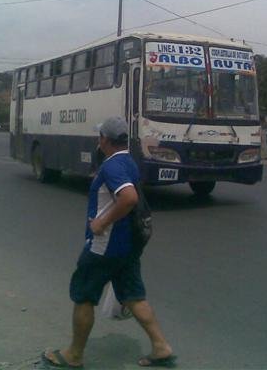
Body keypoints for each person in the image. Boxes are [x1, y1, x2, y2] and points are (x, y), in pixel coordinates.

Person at [42, 116, 175, 369]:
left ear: (104, 140)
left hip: (105, 246)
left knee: (83, 295)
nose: (98, 140)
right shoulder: (128, 161)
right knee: (134, 295)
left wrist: (101, 223)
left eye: (99, 136)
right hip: (127, 247)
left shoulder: (112, 166)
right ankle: (161, 347)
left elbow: (128, 198)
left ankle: (74, 355)